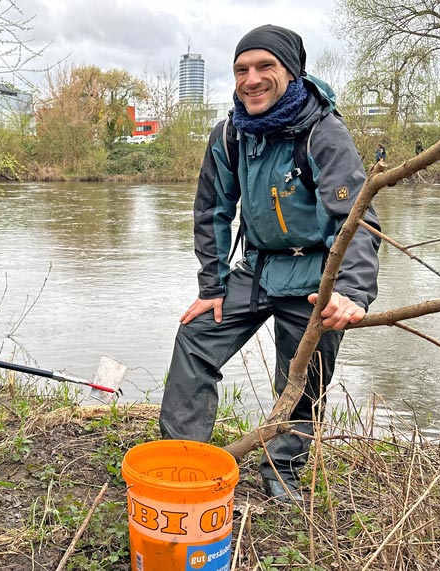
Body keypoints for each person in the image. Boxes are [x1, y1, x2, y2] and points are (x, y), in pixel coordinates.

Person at [159, 25, 381, 503]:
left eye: (265, 68)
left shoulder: (325, 131)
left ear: (291, 72)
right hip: (256, 269)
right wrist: (212, 287)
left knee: (303, 377)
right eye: (242, 69)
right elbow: (212, 210)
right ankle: (181, 457)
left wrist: (353, 292)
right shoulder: (228, 134)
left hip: (318, 277)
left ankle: (281, 471)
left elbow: (357, 220)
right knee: (195, 338)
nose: (251, 79)